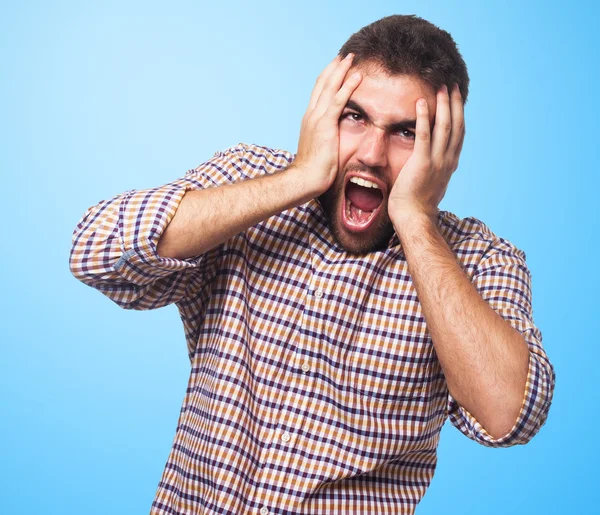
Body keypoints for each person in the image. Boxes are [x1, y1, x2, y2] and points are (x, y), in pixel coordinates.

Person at [69, 14, 555, 515]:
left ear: (446, 148)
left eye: (407, 132)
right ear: (323, 112)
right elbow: (95, 253)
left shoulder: (478, 259)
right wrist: (299, 177)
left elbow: (508, 416)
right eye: (355, 116)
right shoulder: (247, 181)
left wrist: (415, 220)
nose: (371, 153)